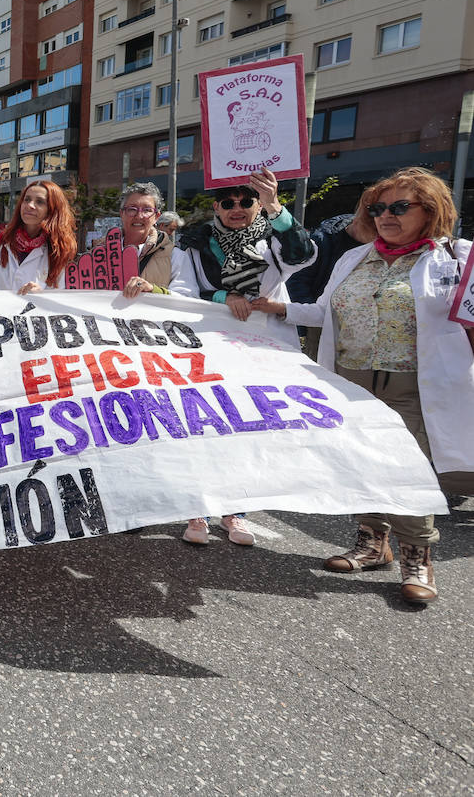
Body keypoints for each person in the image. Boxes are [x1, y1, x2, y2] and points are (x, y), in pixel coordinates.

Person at [253, 168, 472, 604]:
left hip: (416, 387)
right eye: (377, 208)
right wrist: (278, 308)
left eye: (398, 207)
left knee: (412, 472)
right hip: (353, 382)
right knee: (366, 464)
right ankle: (373, 544)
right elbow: (323, 312)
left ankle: (417, 558)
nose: (385, 216)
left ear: (430, 210)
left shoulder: (457, 257)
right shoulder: (355, 258)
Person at [169, 168, 316, 547]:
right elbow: (182, 289)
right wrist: (223, 297)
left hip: (261, 343)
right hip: (208, 340)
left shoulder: (274, 236)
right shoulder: (194, 240)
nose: (237, 208)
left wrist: (274, 206)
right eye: (229, 202)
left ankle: (237, 512)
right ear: (216, 207)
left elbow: (302, 255)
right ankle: (197, 509)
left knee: (248, 425)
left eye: (246, 201)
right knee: (202, 420)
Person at [0, 180, 75, 293]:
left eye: (40, 202)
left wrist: (42, 295)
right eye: (26, 199)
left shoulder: (56, 254)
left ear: (52, 210)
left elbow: (59, 301)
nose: (30, 205)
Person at [285, 211, 366, 360]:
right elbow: (297, 281)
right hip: (320, 321)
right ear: (356, 220)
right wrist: (310, 321)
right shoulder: (322, 240)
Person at [117, 183, 177, 298]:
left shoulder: (175, 256)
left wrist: (152, 290)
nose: (139, 216)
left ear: (157, 217)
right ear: (122, 213)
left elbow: (188, 297)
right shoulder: (99, 253)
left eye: (147, 210)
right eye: (132, 209)